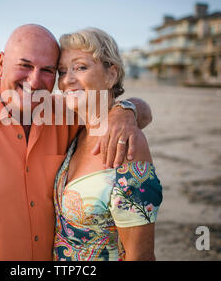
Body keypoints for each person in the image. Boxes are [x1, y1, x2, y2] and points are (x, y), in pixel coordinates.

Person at [0, 24, 153, 260]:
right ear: (1, 64)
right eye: (25, 65)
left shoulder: (65, 115)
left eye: (48, 70)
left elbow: (123, 110)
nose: (34, 80)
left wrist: (126, 111)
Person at [53, 28, 162, 261]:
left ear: (111, 74)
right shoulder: (77, 132)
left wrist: (126, 110)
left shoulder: (127, 142)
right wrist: (129, 108)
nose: (67, 80)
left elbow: (141, 256)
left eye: (80, 67)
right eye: (62, 71)